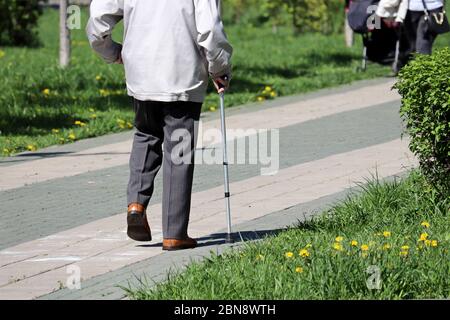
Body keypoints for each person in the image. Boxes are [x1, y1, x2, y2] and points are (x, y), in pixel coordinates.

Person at [86, 0, 233, 251]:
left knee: (145, 134)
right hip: (182, 74)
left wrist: (111, 51)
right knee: (178, 152)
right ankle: (174, 234)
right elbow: (210, 30)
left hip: (141, 71)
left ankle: (136, 204)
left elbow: (98, 19)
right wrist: (219, 67)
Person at [377, 0, 445, 68]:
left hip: (429, 8)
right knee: (413, 44)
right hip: (413, 9)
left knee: (423, 43)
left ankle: (423, 71)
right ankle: (407, 66)